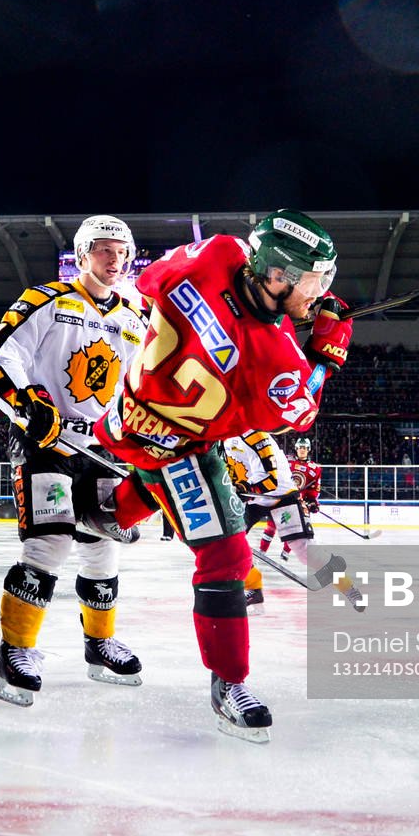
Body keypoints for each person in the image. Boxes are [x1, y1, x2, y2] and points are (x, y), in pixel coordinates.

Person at [94, 209, 353, 740]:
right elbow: (300, 410)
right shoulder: (277, 359)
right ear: (277, 275)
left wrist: (263, 321)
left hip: (127, 414)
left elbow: (149, 283)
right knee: (226, 557)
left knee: (156, 483)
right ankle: (228, 685)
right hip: (177, 445)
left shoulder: (217, 252)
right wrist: (327, 353)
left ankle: (109, 513)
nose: (320, 291)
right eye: (312, 280)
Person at [0, 215, 147, 706]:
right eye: (104, 249)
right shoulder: (46, 299)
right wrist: (29, 402)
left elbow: (143, 386)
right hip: (46, 444)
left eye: (122, 252)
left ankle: (100, 645)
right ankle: (15, 651)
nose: (115, 260)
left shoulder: (135, 318)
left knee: (102, 547)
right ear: (83, 254)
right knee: (49, 542)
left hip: (104, 451)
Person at [225, 431, 299, 615]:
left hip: (281, 495)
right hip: (255, 499)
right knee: (227, 542)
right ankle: (254, 591)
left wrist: (244, 488)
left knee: (305, 551)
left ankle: (345, 585)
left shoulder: (253, 434)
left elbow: (270, 479)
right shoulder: (222, 438)